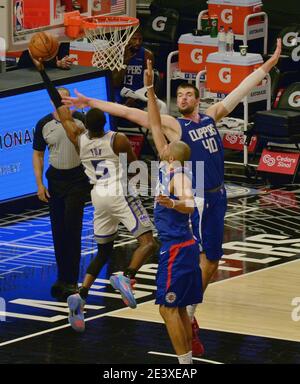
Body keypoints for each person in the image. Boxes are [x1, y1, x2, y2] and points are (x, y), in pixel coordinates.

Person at [62, 38, 282, 351]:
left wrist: (269, 64)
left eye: (188, 93)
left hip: (219, 195)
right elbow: (132, 113)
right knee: (207, 258)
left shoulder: (211, 115)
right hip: (201, 194)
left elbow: (241, 89)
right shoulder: (174, 127)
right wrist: (92, 102)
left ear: (199, 98)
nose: (182, 97)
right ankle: (189, 312)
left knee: (214, 260)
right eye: (178, 95)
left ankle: (188, 308)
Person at [31, 57, 157, 332]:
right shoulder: (118, 139)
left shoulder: (79, 136)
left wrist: (43, 72)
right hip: (119, 193)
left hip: (98, 196)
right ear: (106, 123)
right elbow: (135, 167)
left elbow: (62, 111)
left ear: (84, 124)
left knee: (103, 251)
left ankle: (81, 294)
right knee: (148, 242)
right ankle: (127, 276)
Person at [145, 59, 202, 364]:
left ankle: (184, 364)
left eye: (166, 144)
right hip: (182, 247)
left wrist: (174, 204)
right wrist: (151, 91)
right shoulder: (169, 166)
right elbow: (154, 125)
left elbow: (190, 204)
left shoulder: (178, 176)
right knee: (176, 308)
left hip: (177, 249)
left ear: (170, 152)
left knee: (167, 309)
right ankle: (187, 359)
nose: (162, 144)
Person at [32, 87, 91, 301]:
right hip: (55, 180)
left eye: (65, 98)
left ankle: (72, 280)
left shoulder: (81, 120)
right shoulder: (43, 124)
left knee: (72, 228)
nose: (62, 101)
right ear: (51, 101)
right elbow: (38, 155)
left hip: (77, 179)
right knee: (58, 231)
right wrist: (39, 184)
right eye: (58, 99)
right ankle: (62, 277)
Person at [112, 28, 154, 109]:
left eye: (140, 39)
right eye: (134, 39)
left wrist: (134, 97)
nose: (138, 42)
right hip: (120, 92)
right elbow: (115, 82)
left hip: (138, 93)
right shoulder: (118, 54)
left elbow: (149, 83)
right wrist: (125, 61)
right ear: (127, 39)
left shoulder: (147, 55)